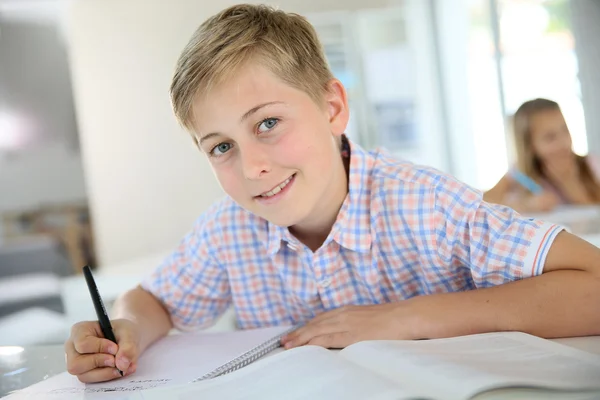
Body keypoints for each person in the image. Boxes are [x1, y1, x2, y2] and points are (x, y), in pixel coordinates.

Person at [64, 5, 600, 384]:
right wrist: (126, 329)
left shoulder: (425, 204)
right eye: (221, 146)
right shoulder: (227, 229)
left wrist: (402, 318)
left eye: (268, 122)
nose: (253, 166)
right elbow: (152, 299)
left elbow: (593, 285)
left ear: (333, 109)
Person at [484, 98, 600, 213]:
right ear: (530, 146)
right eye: (550, 137)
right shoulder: (519, 174)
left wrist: (568, 183)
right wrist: (527, 204)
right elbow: (483, 203)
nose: (564, 142)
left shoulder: (591, 164)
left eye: (565, 130)